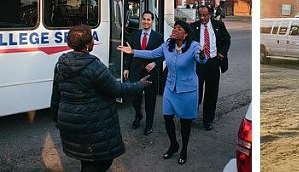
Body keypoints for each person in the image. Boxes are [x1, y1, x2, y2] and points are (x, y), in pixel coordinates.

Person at [51, 25, 151, 172]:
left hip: (70, 123)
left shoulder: (61, 63)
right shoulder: (95, 67)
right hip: (91, 125)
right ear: (87, 45)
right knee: (101, 162)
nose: (93, 41)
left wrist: (57, 120)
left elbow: (56, 96)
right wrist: (140, 85)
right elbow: (117, 89)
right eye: (91, 39)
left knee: (86, 159)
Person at [118, 20, 207, 165]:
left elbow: (201, 59)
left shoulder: (194, 46)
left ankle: (184, 149)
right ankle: (174, 144)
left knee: (185, 122)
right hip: (171, 88)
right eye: (174, 28)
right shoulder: (168, 45)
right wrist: (133, 51)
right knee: (167, 118)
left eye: (178, 29)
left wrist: (202, 55)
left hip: (188, 90)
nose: (174, 30)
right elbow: (152, 53)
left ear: (185, 34)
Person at [123, 11, 164, 135]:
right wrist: (126, 68)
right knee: (135, 97)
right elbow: (129, 53)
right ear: (141, 20)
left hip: (150, 72)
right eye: (144, 19)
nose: (146, 22)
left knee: (150, 99)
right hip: (136, 71)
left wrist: (155, 63)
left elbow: (163, 54)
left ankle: (149, 124)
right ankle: (138, 115)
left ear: (152, 21)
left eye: (148, 20)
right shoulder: (134, 35)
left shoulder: (158, 37)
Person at [191, 5, 231, 131]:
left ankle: (208, 120)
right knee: (196, 91)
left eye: (205, 15)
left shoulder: (218, 25)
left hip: (213, 62)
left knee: (211, 93)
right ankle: (191, 115)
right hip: (199, 63)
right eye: (200, 15)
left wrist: (222, 53)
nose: (202, 18)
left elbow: (227, 40)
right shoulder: (193, 27)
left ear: (210, 15)